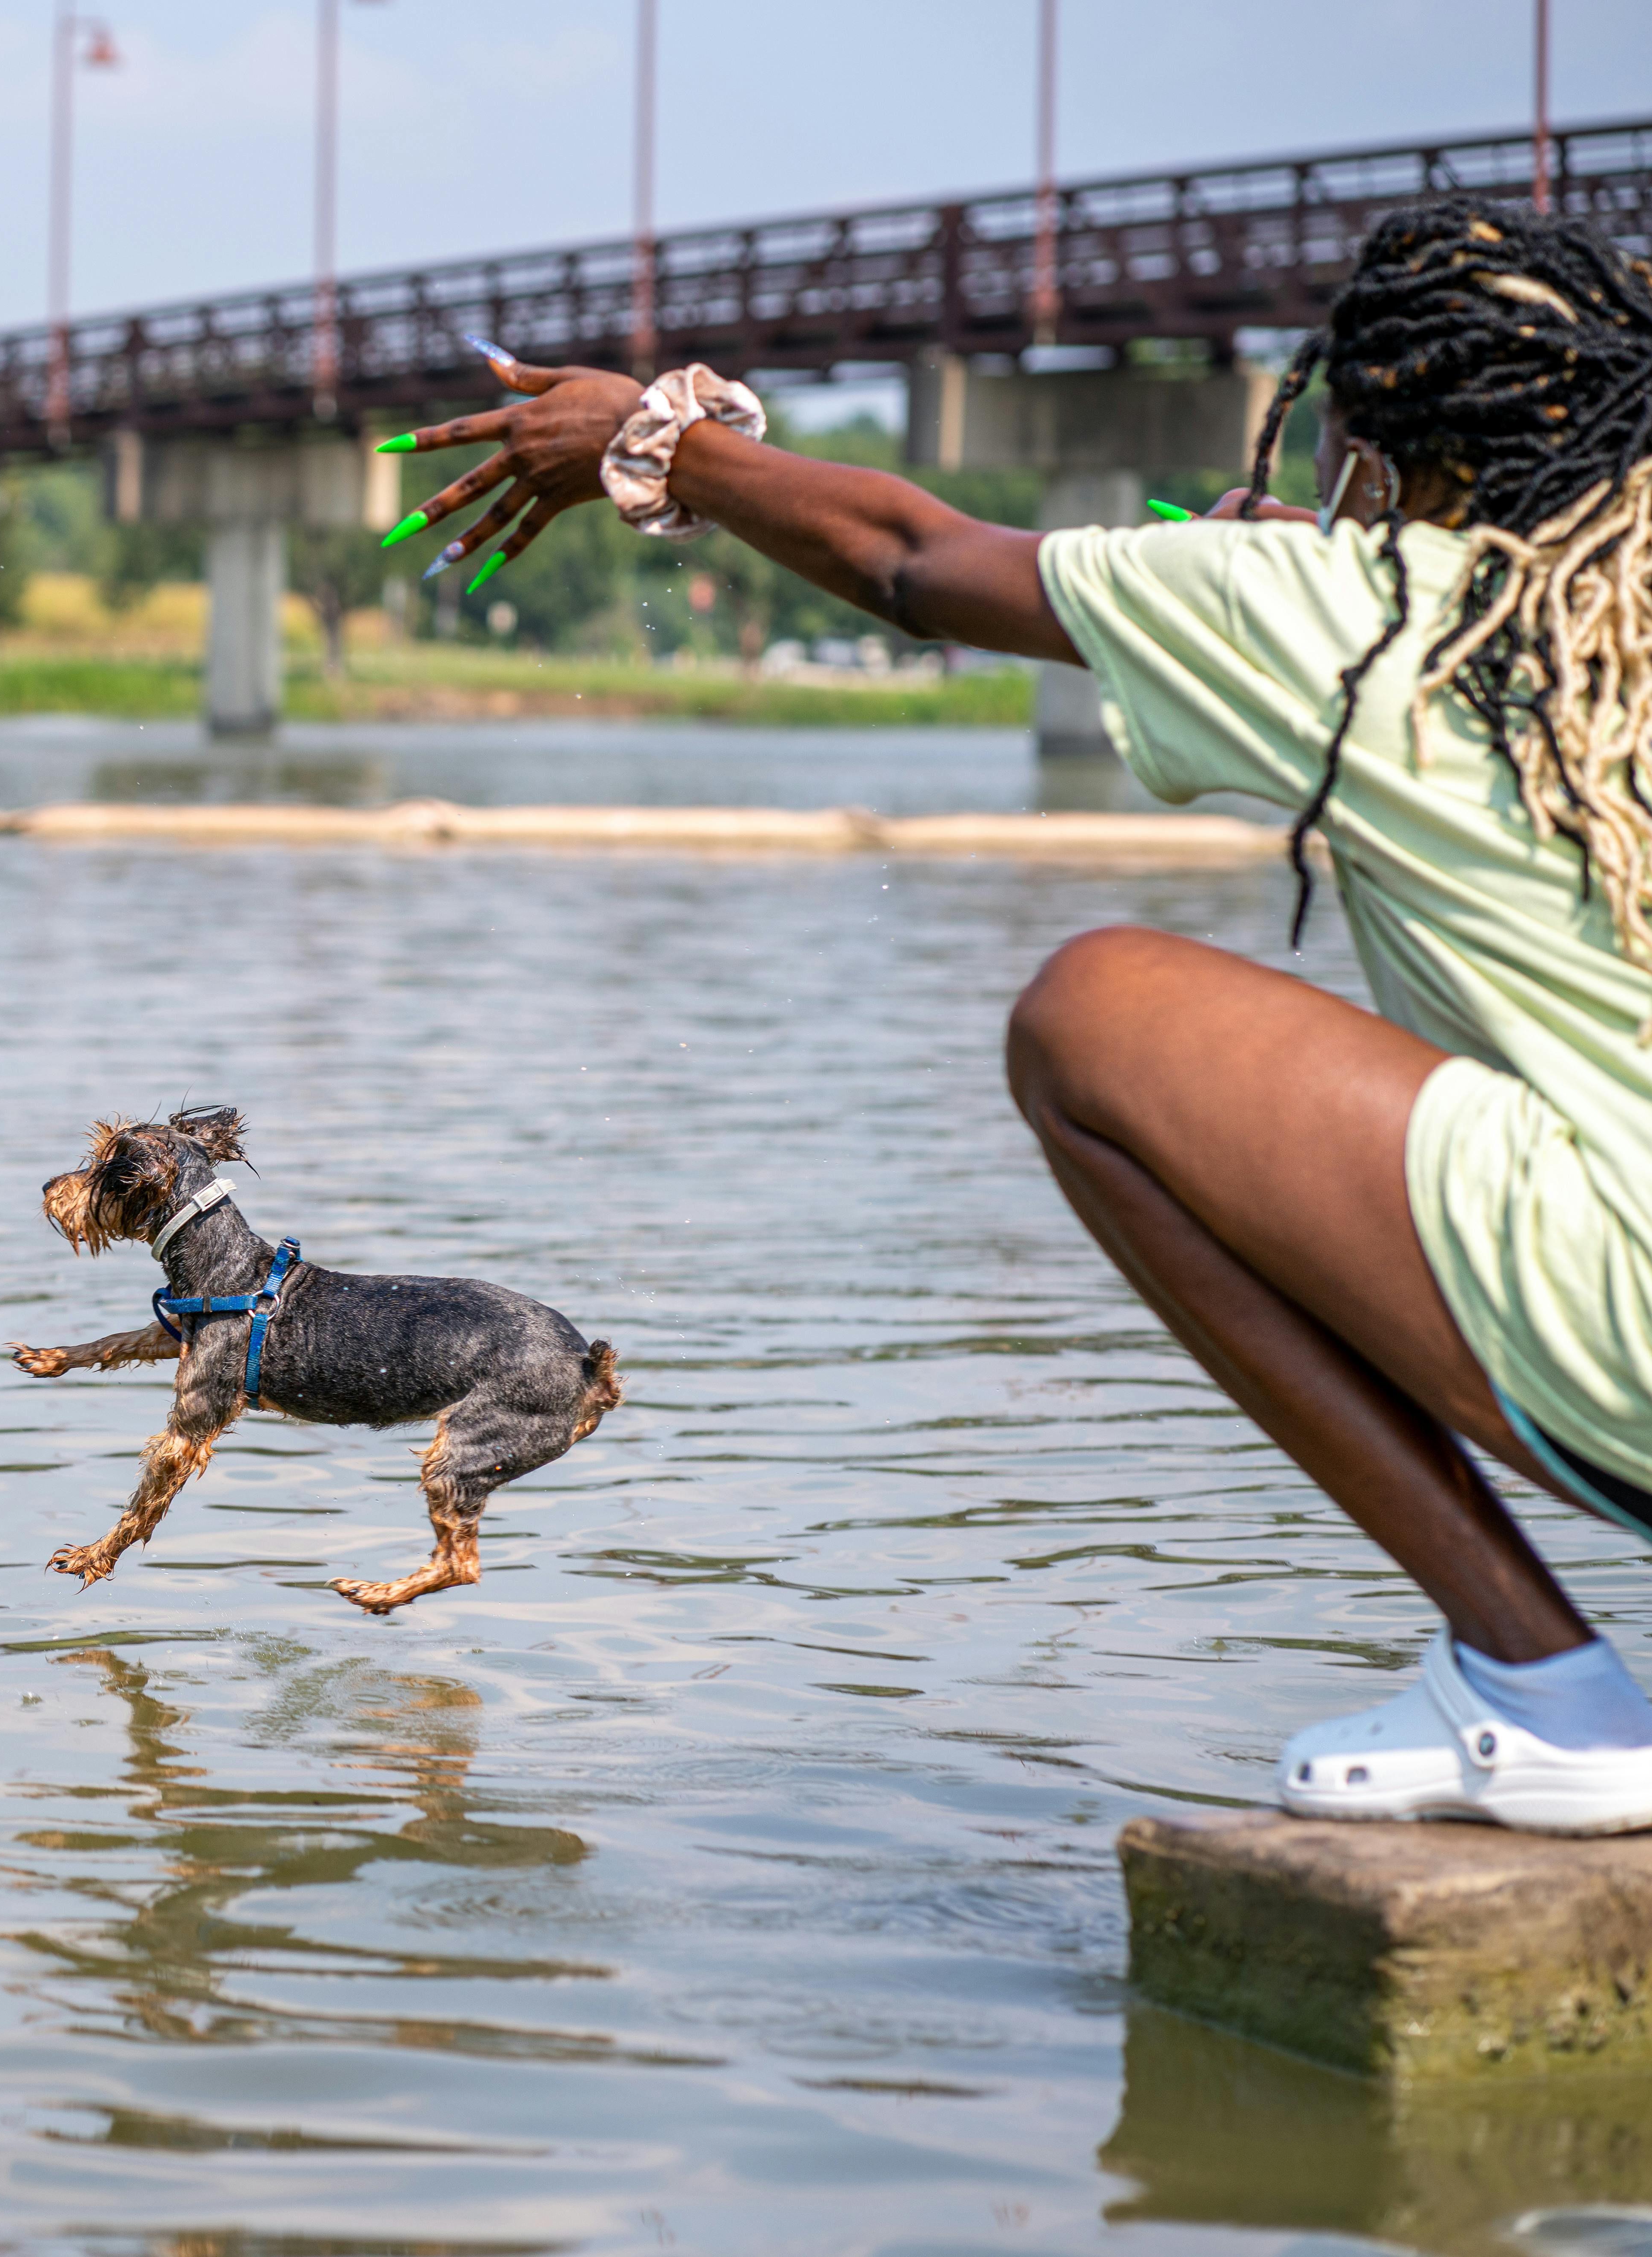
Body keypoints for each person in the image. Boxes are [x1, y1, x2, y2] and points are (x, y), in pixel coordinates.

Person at [398, 197, 1652, 1834]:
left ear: (1397, 442)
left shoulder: (1373, 612)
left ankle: (1542, 1687)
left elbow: (913, 561)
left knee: (1095, 1018)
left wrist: (656, 441)